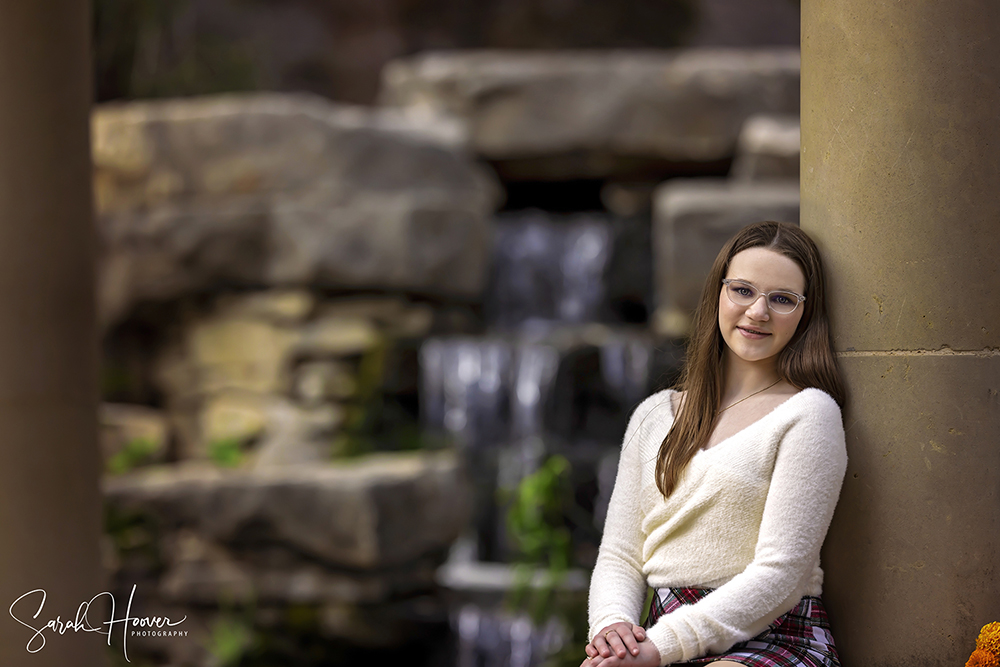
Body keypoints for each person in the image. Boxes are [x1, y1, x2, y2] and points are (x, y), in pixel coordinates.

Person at [582, 221, 847, 667]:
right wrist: (612, 630)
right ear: (718, 294)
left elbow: (781, 573)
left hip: (775, 634)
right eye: (743, 290)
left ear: (806, 314)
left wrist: (657, 649)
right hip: (661, 632)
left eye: (782, 299)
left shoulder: (809, 414)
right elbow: (620, 554)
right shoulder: (654, 415)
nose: (758, 311)